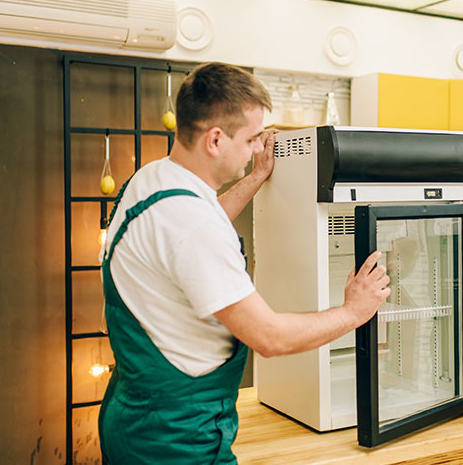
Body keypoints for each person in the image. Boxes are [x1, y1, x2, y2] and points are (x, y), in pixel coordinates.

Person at [97, 62, 391, 464]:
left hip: (133, 415)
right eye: (252, 138)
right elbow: (269, 337)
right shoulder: (193, 225)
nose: (257, 147)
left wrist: (255, 177)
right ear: (215, 139)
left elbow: (194, 226)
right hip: (177, 437)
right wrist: (353, 311)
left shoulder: (152, 180)